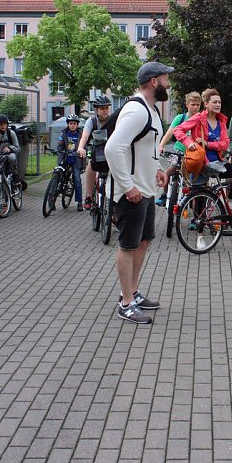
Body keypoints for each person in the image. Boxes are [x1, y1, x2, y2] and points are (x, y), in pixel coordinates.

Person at [104, 61, 170, 324]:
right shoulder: (137, 110)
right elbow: (113, 148)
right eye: (166, 78)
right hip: (130, 192)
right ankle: (126, 302)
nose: (169, 83)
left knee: (143, 242)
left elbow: (145, 148)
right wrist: (127, 185)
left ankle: (132, 292)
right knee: (128, 246)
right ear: (154, 81)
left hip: (145, 188)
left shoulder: (151, 110)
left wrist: (157, 170)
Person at [174, 88, 232, 216]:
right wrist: (189, 143)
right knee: (199, 199)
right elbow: (178, 130)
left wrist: (208, 144)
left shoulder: (221, 121)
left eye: (219, 102)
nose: (218, 105)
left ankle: (230, 201)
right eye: (214, 102)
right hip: (201, 163)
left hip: (217, 163)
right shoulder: (198, 118)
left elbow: (225, 143)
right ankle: (199, 230)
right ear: (206, 104)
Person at [156, 91, 202, 205]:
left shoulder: (202, 120)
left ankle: (192, 204)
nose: (195, 107)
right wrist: (161, 146)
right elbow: (169, 134)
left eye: (198, 105)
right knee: (167, 172)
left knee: (194, 182)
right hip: (179, 151)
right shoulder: (180, 118)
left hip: (193, 155)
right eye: (193, 104)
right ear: (187, 104)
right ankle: (165, 194)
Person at [77, 95, 112, 210]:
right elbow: (85, 136)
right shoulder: (91, 122)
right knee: (91, 165)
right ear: (96, 110)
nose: (105, 110)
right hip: (96, 150)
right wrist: (81, 147)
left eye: (107, 108)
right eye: (102, 108)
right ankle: (88, 196)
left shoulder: (113, 121)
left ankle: (115, 206)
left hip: (110, 150)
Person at [57, 114, 84, 211]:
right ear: (68, 124)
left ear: (77, 125)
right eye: (70, 123)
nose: (72, 125)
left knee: (77, 179)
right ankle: (51, 198)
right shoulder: (64, 133)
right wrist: (59, 151)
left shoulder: (81, 135)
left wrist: (82, 152)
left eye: (74, 124)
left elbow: (84, 146)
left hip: (76, 160)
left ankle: (79, 202)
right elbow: (60, 146)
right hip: (65, 158)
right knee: (57, 175)